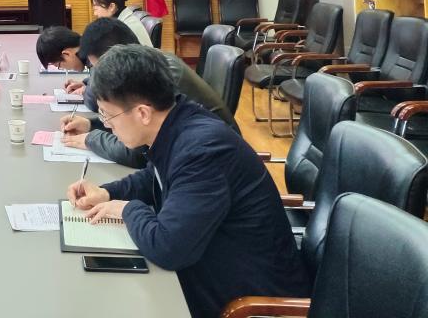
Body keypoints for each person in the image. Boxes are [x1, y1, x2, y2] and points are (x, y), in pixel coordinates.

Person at [66, 45, 309, 318]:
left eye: (107, 116)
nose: (107, 125)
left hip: (253, 301)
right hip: (215, 273)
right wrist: (107, 193)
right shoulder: (177, 122)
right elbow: (156, 176)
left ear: (143, 113)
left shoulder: (202, 149)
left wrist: (127, 209)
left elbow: (169, 249)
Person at [60, 18, 235, 167]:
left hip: (211, 160)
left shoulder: (156, 74)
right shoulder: (147, 63)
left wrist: (91, 139)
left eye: (99, 67)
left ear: (117, 55)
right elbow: (134, 120)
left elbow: (138, 154)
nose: (98, 75)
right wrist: (91, 124)